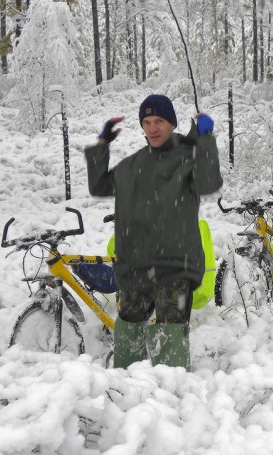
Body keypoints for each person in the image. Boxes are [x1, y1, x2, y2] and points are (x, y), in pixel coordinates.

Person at [85, 94, 223, 370]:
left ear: (171, 123)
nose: (152, 128)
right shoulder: (135, 163)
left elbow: (208, 182)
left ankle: (171, 396)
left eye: (159, 120)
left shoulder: (188, 158)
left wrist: (206, 138)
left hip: (175, 264)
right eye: (146, 122)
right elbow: (100, 186)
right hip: (136, 265)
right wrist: (102, 145)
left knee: (169, 334)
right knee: (128, 330)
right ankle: (126, 390)